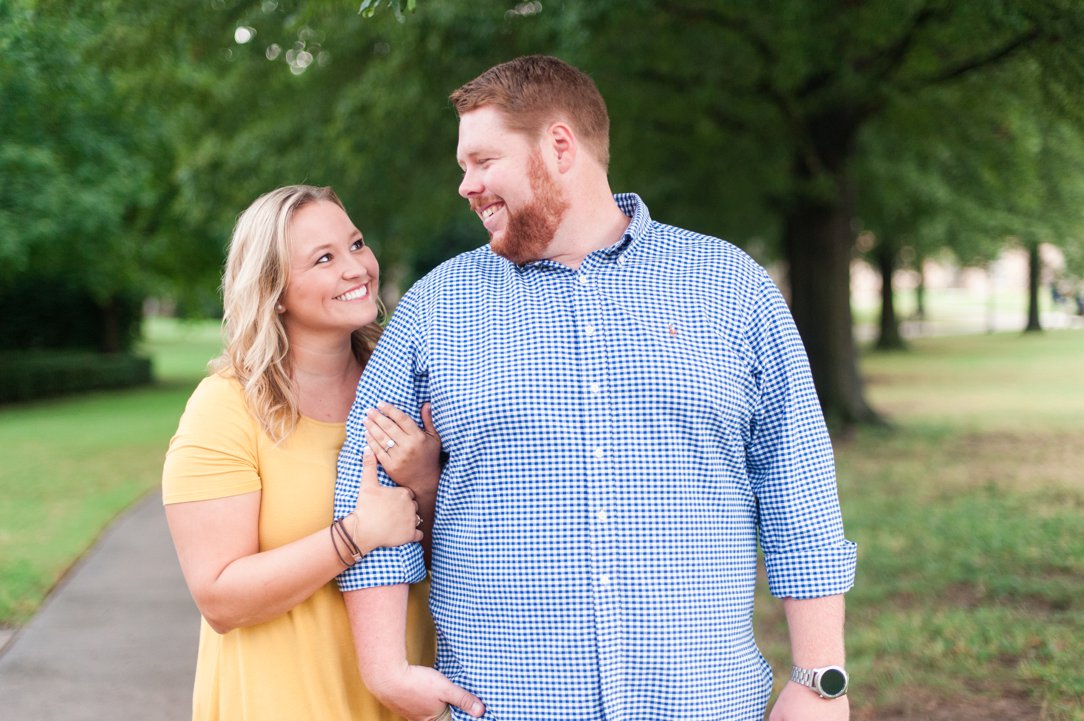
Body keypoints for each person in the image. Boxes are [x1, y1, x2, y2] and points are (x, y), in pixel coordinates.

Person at [334, 56, 857, 721]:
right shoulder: (435, 308)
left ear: (558, 146)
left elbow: (798, 483)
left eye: (482, 160)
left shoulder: (731, 287)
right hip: (505, 705)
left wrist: (819, 679)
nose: (466, 185)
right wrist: (385, 667)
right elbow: (365, 478)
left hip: (703, 702)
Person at [162, 185, 470, 721]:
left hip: (405, 701)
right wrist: (354, 536)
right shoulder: (228, 408)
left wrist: (424, 480)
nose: (356, 268)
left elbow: (468, 543)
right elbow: (219, 599)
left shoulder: (413, 385)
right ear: (275, 290)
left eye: (356, 244)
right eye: (324, 259)